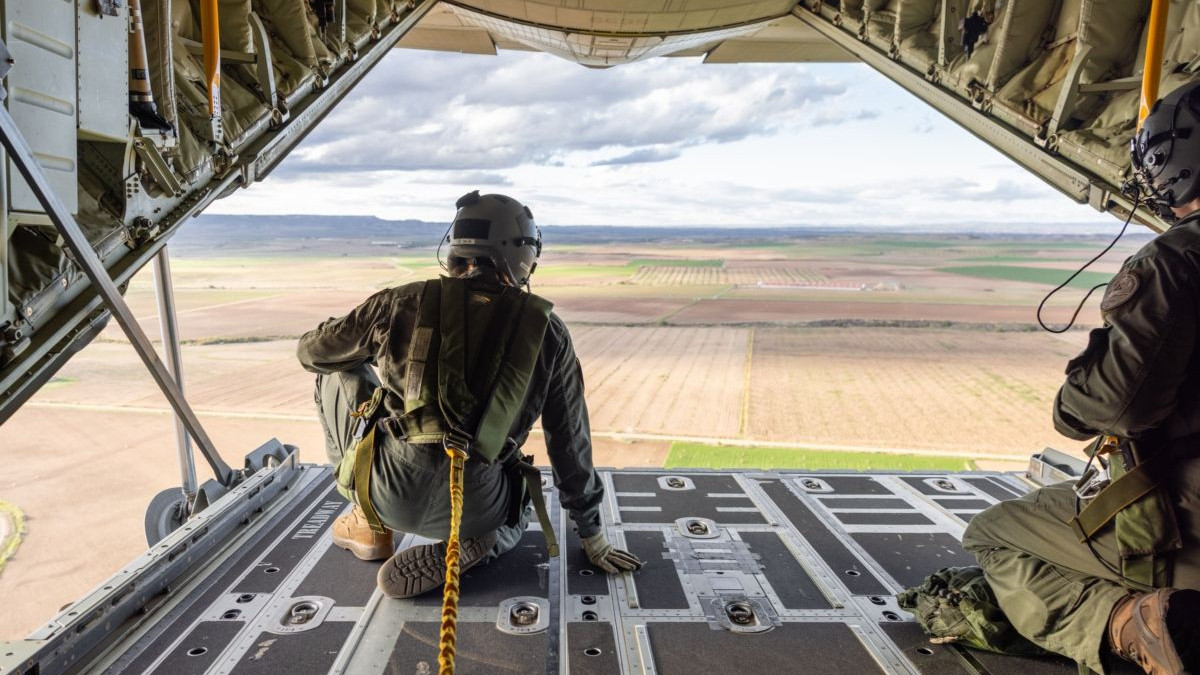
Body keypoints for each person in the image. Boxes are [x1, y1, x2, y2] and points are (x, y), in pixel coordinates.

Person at [962, 79, 1200, 675]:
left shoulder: (1178, 260)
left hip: (1192, 520)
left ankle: (1136, 623)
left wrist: (1070, 406)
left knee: (994, 533)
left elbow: (1118, 407)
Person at [296, 190, 642, 599]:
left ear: (456, 247)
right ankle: (490, 540)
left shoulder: (400, 301)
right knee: (517, 507)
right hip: (478, 506)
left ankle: (368, 521)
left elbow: (311, 354)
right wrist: (592, 534)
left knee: (336, 370)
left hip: (387, 490)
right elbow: (569, 438)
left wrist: (367, 337)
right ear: (523, 256)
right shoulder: (548, 332)